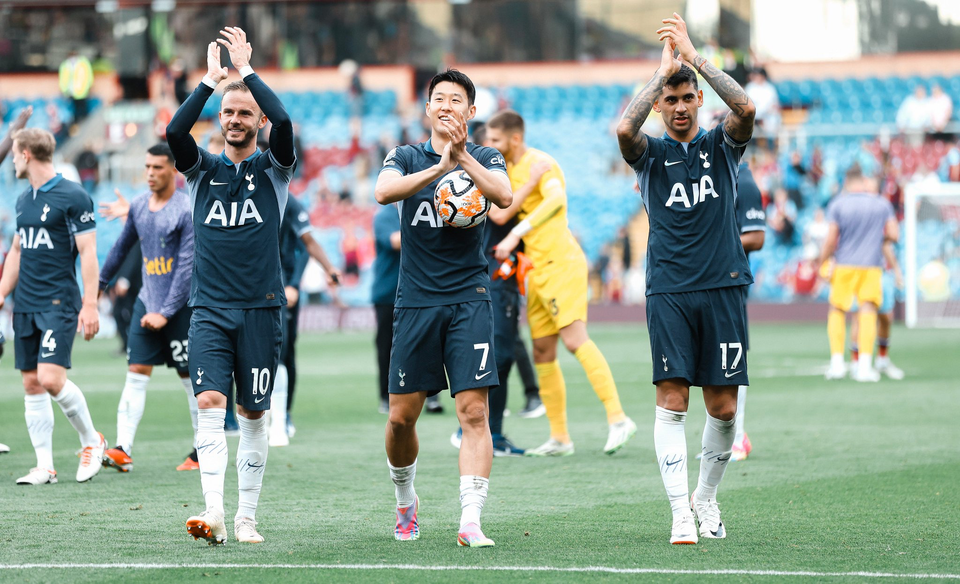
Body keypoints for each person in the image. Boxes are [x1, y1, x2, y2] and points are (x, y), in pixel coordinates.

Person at [615, 13, 757, 544]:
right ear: (660, 105)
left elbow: (745, 107)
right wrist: (662, 71)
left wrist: (694, 58)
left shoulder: (723, 146)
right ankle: (679, 513)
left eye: (685, 98)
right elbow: (624, 130)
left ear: (699, 101)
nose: (677, 107)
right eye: (669, 100)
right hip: (670, 291)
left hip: (722, 287)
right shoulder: (648, 155)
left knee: (722, 408)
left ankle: (706, 497)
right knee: (671, 400)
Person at [166, 27, 295, 545]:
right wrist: (210, 83)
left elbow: (284, 120)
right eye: (228, 113)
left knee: (254, 414)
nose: (235, 119)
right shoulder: (202, 172)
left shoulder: (275, 171)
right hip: (210, 311)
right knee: (210, 406)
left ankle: (247, 517)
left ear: (256, 121)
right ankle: (215, 511)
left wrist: (246, 74)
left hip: (262, 309)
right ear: (218, 119)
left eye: (245, 113)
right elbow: (176, 133)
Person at [374, 69, 513, 547]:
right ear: (427, 109)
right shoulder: (405, 156)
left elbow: (502, 196)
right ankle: (405, 501)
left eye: (457, 99)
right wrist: (438, 169)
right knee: (400, 419)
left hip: (468, 298)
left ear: (471, 112)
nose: (448, 105)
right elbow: (384, 192)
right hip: (415, 301)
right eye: (439, 99)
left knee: (473, 412)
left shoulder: (487, 156)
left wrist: (462, 160)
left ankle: (470, 519)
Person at [487, 109, 636, 458]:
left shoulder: (542, 162)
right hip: (536, 271)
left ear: (515, 138)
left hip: (562, 264)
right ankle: (560, 438)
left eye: (495, 140)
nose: (489, 145)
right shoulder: (508, 171)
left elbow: (556, 201)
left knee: (574, 339)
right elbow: (500, 213)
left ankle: (618, 419)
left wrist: (515, 236)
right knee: (542, 350)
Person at [0, 127, 106, 485]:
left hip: (59, 301)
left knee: (50, 378)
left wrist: (89, 304)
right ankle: (44, 465)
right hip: (25, 304)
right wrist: (2, 291)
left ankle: (92, 440)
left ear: (27, 154)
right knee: (31, 383)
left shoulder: (73, 195)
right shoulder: (22, 199)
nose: (12, 160)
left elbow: (89, 252)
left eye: (14, 153)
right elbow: (17, 249)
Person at [97, 144, 198, 473]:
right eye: (148, 167)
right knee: (136, 372)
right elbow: (120, 248)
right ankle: (123, 448)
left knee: (190, 379)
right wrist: (98, 285)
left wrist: (165, 312)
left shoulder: (186, 209)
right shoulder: (139, 206)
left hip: (180, 309)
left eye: (158, 167)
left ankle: (201, 451)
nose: (151, 173)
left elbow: (185, 271)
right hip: (147, 304)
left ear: (174, 170)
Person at [449, 122, 531, 457]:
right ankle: (479, 429)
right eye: (491, 142)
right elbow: (499, 214)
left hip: (506, 275)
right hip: (491, 275)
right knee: (498, 354)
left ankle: (492, 430)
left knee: (506, 353)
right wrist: (534, 180)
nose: (496, 147)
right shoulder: (478, 177)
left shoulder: (500, 173)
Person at [269, 193, 341, 447]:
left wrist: (296, 283)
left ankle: (282, 416)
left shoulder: (288, 201)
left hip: (282, 289)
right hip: (249, 287)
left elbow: (306, 243)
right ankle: (234, 418)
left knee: (284, 351)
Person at [817, 164, 899, 383]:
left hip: (844, 264)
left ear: (846, 182)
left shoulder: (838, 204)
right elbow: (894, 233)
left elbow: (831, 238)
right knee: (868, 311)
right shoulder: (881, 204)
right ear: (862, 181)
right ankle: (864, 366)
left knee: (837, 309)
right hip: (871, 265)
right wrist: (876, 241)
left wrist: (822, 261)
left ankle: (837, 364)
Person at [730, 161, 765, 461]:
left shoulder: (746, 182)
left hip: (732, 281)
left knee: (732, 358)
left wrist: (716, 247)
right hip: (710, 279)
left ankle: (737, 438)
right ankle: (731, 435)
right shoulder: (715, 176)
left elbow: (757, 237)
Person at [847, 240, 905, 380]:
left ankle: (882, 360)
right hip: (860, 272)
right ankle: (856, 362)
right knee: (858, 318)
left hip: (881, 273)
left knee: (885, 317)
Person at [372, 202, 401, 414]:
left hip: (418, 291)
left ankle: (431, 396)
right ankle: (386, 395)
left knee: (426, 342)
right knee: (387, 346)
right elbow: (394, 241)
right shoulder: (385, 215)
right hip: (388, 292)